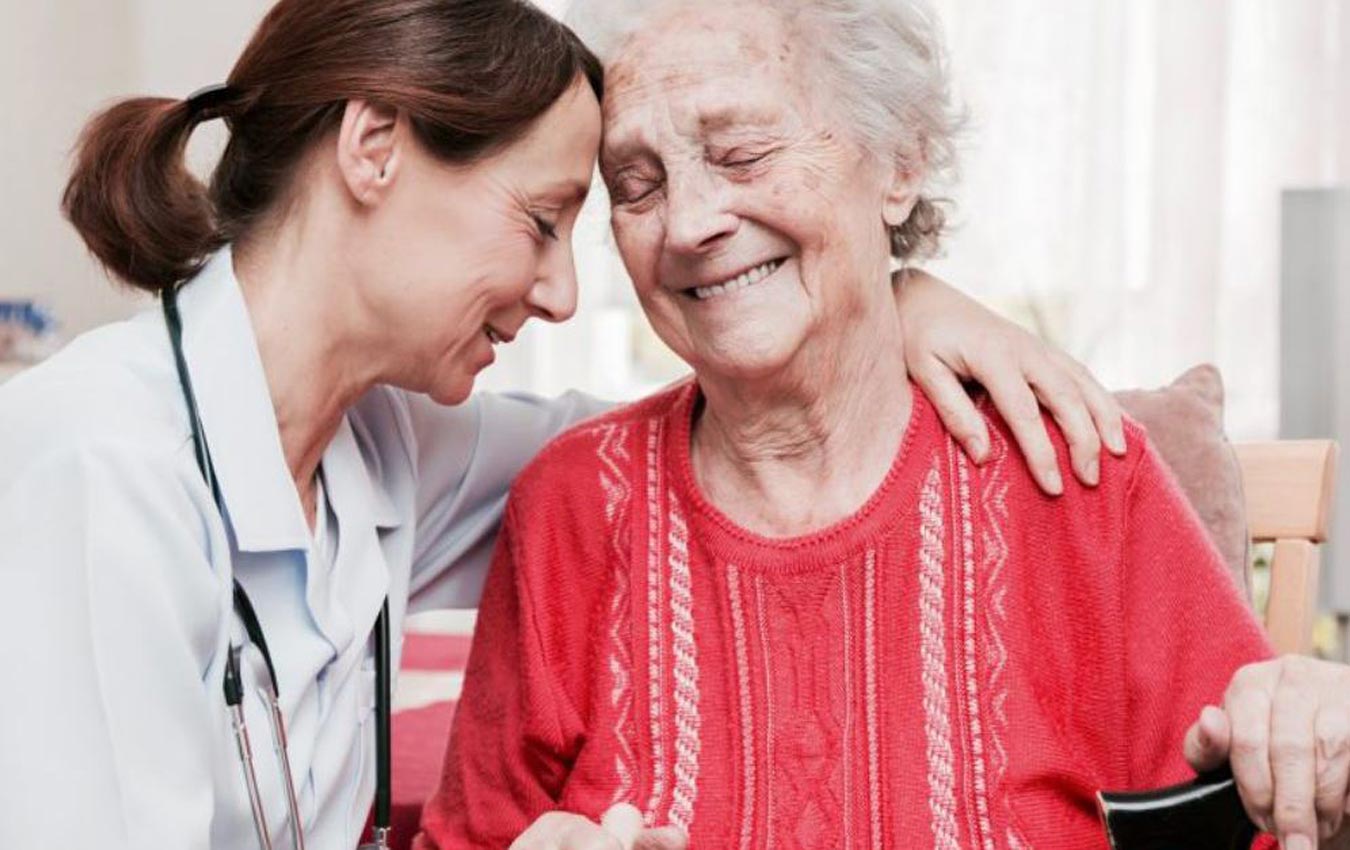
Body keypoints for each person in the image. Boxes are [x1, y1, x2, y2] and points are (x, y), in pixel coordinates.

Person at [0, 0, 1121, 848]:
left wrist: (885, 295)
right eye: (542, 221)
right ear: (373, 146)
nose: (560, 295)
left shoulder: (385, 451)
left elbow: (717, 431)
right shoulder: (94, 461)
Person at [416, 1, 1350, 849]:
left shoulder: (1072, 474)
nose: (690, 223)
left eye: (741, 153)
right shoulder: (573, 503)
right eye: (636, 183)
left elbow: (1264, 818)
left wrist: (1310, 732)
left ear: (899, 162)